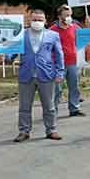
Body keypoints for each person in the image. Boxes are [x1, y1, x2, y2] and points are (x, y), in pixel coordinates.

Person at [15, 10, 65, 142]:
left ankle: (51, 130)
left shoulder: (53, 35)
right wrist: (3, 53)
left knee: (49, 105)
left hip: (47, 74)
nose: (37, 22)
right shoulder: (20, 35)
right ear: (29, 21)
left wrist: (60, 72)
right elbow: (12, 52)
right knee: (24, 106)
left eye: (40, 20)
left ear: (45, 21)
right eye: (34, 19)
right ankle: (24, 131)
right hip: (26, 74)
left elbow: (59, 55)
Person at [50, 5, 85, 117]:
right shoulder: (52, 30)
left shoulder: (75, 28)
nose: (69, 18)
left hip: (73, 62)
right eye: (66, 16)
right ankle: (52, 111)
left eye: (70, 15)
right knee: (56, 89)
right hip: (57, 64)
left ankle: (74, 108)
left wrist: (88, 25)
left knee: (74, 87)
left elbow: (85, 37)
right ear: (59, 16)